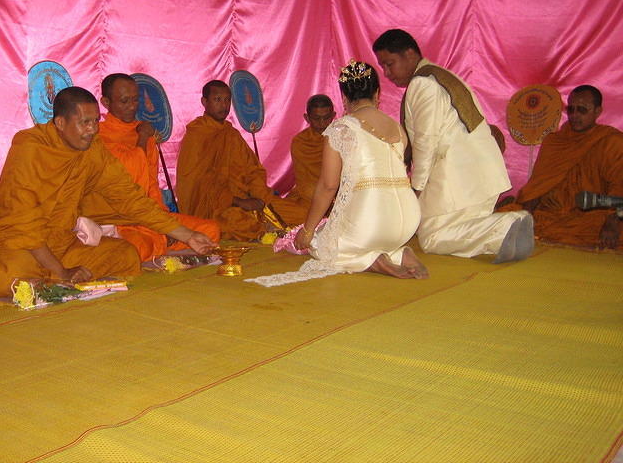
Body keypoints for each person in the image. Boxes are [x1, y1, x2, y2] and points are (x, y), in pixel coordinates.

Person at [0, 87, 216, 297]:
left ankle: (51, 275)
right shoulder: (30, 147)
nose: (92, 130)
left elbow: (129, 198)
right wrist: (61, 272)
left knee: (126, 255)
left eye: (95, 122)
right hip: (15, 243)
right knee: (11, 278)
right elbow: (25, 223)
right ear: (60, 123)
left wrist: (186, 235)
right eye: (84, 123)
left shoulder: (92, 150)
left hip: (60, 243)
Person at [248, 61, 428, 287]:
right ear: (377, 93)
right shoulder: (396, 127)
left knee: (320, 243)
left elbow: (328, 186)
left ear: (343, 97)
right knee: (350, 230)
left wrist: (308, 230)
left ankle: (373, 260)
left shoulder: (341, 128)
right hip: (409, 220)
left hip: (371, 220)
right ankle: (398, 252)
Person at [372, 29, 532, 262]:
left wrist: (416, 190)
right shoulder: (438, 75)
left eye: (389, 64)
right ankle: (501, 235)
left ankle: (505, 225)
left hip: (459, 174)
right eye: (383, 66)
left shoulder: (423, 84)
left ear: (409, 54)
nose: (386, 73)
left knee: (432, 237)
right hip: (475, 171)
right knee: (460, 227)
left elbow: (426, 143)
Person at [82, 73, 220, 261]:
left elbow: (151, 184)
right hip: (123, 220)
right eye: (124, 101)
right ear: (106, 103)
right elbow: (128, 179)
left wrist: (163, 221)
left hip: (151, 214)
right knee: (137, 249)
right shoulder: (100, 137)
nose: (132, 106)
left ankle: (163, 238)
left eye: (135, 100)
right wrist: (142, 138)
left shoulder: (141, 130)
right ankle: (163, 240)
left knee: (210, 230)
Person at [176, 80, 306, 240]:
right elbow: (198, 183)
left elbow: (253, 169)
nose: (224, 105)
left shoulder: (231, 134)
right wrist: (236, 201)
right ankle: (266, 230)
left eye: (227, 100)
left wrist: (259, 197)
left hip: (249, 200)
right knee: (239, 224)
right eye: (217, 100)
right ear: (204, 102)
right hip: (217, 208)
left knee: (302, 214)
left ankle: (269, 227)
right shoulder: (197, 134)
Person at [510, 85, 622, 249]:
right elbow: (537, 186)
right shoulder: (554, 141)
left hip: (592, 216)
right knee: (506, 218)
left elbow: (619, 187)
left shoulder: (613, 142)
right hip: (549, 214)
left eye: (582, 110)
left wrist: (613, 221)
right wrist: (525, 217)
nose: (575, 115)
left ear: (598, 112)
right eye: (571, 109)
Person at [285, 94, 335, 212]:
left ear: (333, 116)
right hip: (309, 197)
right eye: (316, 118)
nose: (322, 123)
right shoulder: (300, 141)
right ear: (307, 118)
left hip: (338, 196)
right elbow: (305, 182)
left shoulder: (341, 138)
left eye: (326, 117)